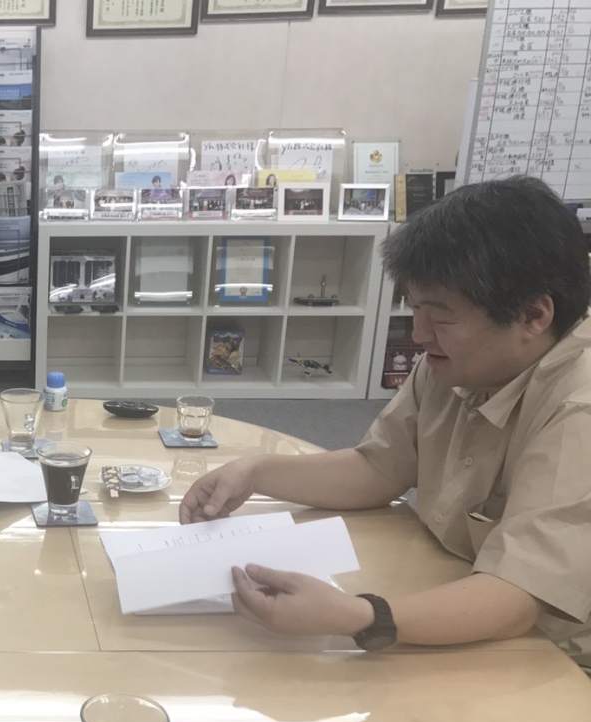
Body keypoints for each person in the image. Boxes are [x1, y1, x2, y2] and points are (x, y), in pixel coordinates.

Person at [179, 177, 591, 659]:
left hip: (552, 657)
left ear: (534, 316)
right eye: (414, 308)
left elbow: (518, 596)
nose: (419, 334)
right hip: (453, 590)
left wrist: (360, 616)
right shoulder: (456, 362)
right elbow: (378, 468)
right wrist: (256, 471)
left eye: (441, 317)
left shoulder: (578, 408)